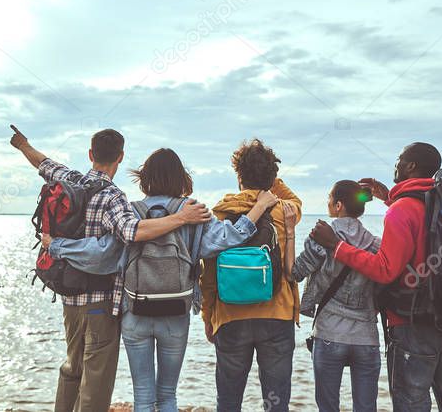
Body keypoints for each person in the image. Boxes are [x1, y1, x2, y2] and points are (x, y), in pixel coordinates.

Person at [45, 147, 281, 412]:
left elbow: (101, 254)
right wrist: (259, 207)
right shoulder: (194, 213)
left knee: (143, 396)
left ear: (144, 178)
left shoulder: (130, 213)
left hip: (135, 313)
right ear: (180, 178)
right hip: (175, 313)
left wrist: (57, 245)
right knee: (167, 395)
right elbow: (231, 237)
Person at [10, 128, 212, 412]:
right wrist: (181, 218)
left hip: (70, 300)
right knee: (96, 380)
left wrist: (23, 145)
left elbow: (43, 164)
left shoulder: (70, 179)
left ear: (90, 154)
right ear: (120, 157)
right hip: (100, 302)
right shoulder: (113, 197)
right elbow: (132, 231)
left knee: (71, 369)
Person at [309, 142, 442, 412]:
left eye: (400, 158)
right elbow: (424, 229)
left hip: (413, 321)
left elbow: (385, 270)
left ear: (410, 166)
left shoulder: (401, 210)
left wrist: (336, 246)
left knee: (412, 400)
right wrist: (390, 198)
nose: (395, 163)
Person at [199, 138, 302, 412]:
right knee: (276, 400)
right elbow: (295, 199)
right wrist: (270, 183)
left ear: (238, 177)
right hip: (276, 315)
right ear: (272, 177)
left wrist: (208, 316)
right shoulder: (283, 209)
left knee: (229, 400)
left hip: (230, 315)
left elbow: (208, 274)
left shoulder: (220, 213)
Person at [291, 180, 381, 412]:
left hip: (330, 333)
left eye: (330, 199)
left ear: (338, 205)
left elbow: (295, 273)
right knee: (366, 408)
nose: (328, 203)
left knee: (328, 407)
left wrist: (290, 231)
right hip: (366, 337)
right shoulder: (375, 244)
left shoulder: (320, 237)